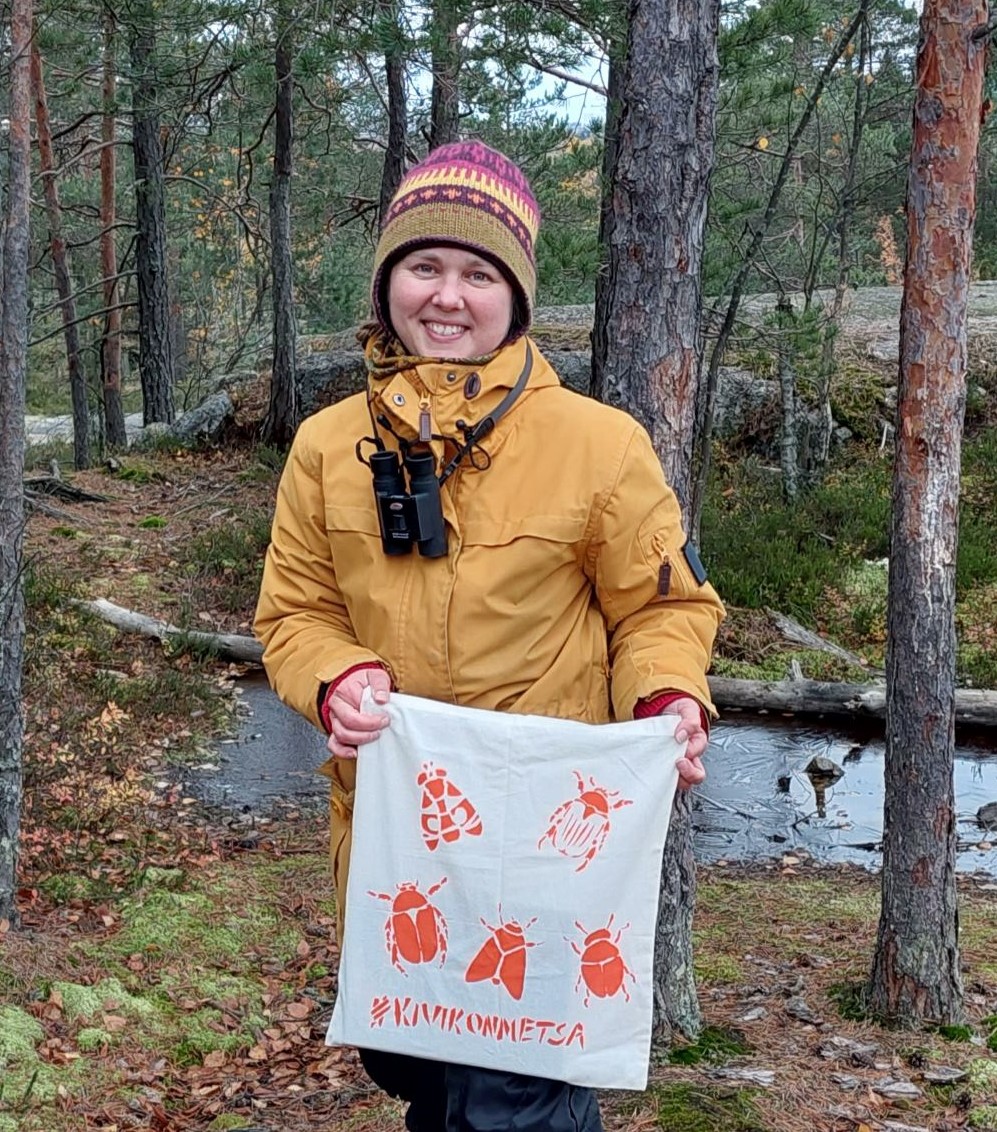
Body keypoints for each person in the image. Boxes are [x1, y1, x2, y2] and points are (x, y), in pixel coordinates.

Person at [255, 140, 725, 1132]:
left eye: (478, 273)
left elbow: (663, 610)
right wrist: (334, 676)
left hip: (549, 855)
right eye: (424, 265)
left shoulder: (599, 444)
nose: (448, 296)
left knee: (514, 1099)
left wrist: (668, 698)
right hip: (397, 849)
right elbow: (296, 612)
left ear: (514, 296)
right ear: (386, 283)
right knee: (422, 1074)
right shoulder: (327, 446)